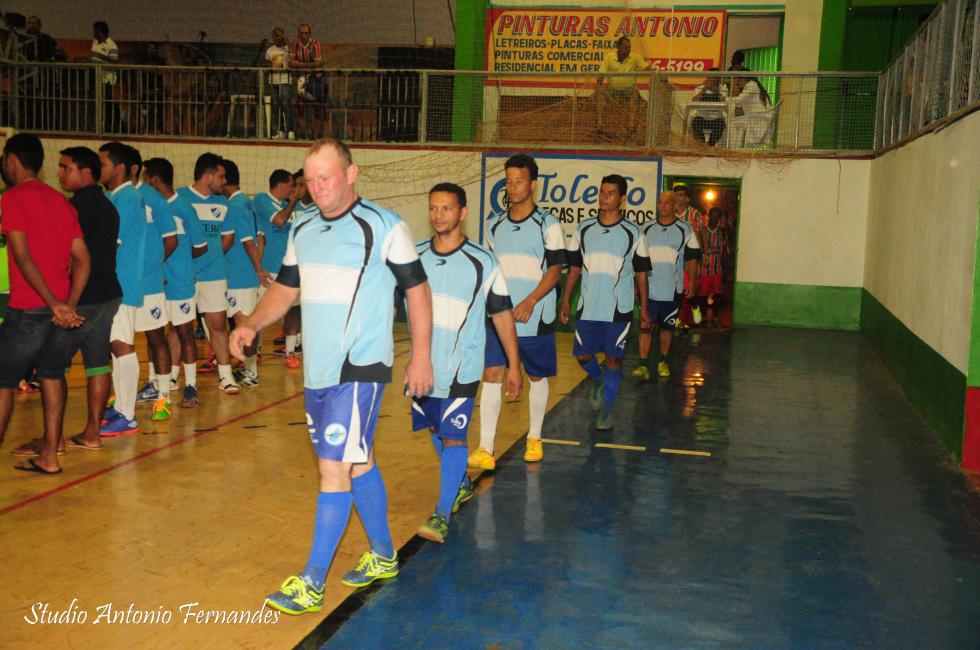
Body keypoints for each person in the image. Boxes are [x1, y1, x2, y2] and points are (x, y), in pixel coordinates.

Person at [230, 138, 433, 615]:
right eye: (310, 179)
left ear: (351, 174)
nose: (317, 187)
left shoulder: (384, 226)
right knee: (357, 462)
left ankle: (312, 582)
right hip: (319, 371)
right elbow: (286, 289)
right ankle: (383, 555)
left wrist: (421, 355)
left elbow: (418, 291)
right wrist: (252, 324)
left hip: (359, 366)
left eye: (326, 177)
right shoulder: (302, 227)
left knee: (332, 468)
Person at [412, 183, 521, 543]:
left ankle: (441, 514)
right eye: (433, 207)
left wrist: (514, 364)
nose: (438, 215)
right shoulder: (414, 258)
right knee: (435, 429)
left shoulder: (484, 262)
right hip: (423, 365)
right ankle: (460, 483)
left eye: (446, 208)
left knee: (454, 437)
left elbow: (502, 314)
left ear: (463, 213)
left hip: (463, 365)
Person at [1, 133, 89, 474]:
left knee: (3, 382)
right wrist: (68, 305)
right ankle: (50, 456)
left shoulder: (13, 198)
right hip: (59, 314)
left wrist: (55, 304)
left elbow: (21, 255)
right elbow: (83, 259)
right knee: (52, 376)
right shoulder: (61, 201)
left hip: (30, 308)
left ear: (12, 161)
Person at [472, 154, 565, 469]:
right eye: (509, 181)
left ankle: (534, 437)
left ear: (533, 184)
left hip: (534, 315)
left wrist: (530, 301)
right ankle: (485, 448)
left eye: (519, 181)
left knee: (536, 375)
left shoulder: (548, 224)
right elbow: (490, 269)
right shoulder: (493, 224)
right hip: (499, 316)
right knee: (492, 375)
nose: (512, 187)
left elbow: (555, 270)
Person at [560, 174, 650, 430]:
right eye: (601, 192)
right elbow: (574, 268)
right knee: (582, 355)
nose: (603, 197)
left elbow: (641, 273)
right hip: (588, 306)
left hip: (618, 309)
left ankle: (607, 410)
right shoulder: (584, 229)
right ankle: (599, 381)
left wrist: (644, 307)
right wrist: (565, 300)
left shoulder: (633, 233)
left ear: (622, 199)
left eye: (610, 193)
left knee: (613, 359)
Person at [55, 146, 121, 452]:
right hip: (108, 295)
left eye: (65, 168)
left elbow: (73, 259)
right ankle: (92, 432)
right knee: (97, 364)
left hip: (82, 297)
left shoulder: (74, 208)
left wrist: (68, 302)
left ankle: (52, 440)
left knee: (52, 367)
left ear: (86, 172)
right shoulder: (108, 205)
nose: (60, 174)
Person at [143, 157, 208, 408]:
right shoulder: (148, 207)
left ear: (155, 180)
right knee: (153, 333)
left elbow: (200, 247)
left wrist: (181, 264)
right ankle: (154, 382)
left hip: (179, 283)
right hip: (154, 283)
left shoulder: (183, 208)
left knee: (185, 332)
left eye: (145, 178)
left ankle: (190, 385)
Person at [176, 153, 240, 395]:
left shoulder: (224, 203)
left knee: (218, 324)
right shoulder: (179, 199)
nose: (224, 181)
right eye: (221, 176)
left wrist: (210, 260)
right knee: (179, 327)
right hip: (183, 275)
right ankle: (170, 378)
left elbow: (228, 238)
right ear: (208, 175)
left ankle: (226, 377)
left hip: (214, 275)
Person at [98, 141, 148, 436]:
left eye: (103, 163)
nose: (98, 168)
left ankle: (127, 415)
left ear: (119, 168)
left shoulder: (127, 198)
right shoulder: (117, 196)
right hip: (117, 282)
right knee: (116, 346)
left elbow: (111, 245)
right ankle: (120, 407)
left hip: (122, 283)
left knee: (121, 345)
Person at [129, 145, 179, 423]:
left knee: (155, 336)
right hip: (122, 284)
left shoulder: (153, 199)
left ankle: (164, 396)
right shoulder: (115, 197)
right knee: (122, 342)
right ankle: (124, 396)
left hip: (149, 284)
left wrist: (153, 266)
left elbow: (171, 239)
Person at [632, 192, 700, 380]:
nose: (662, 206)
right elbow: (638, 261)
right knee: (645, 326)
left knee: (667, 328)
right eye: (659, 202)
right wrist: (636, 285)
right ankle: (643, 365)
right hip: (648, 290)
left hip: (672, 290)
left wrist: (692, 281)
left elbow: (692, 258)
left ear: (675, 206)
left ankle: (662, 362)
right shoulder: (645, 229)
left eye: (667, 202)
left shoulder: (685, 229)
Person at [221, 158, 270, 387]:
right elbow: (261, 238)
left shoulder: (235, 206)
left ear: (225, 180)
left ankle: (251, 373)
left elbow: (249, 242)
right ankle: (249, 369)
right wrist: (257, 269)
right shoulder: (247, 203)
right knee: (245, 323)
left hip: (238, 277)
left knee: (243, 325)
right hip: (245, 275)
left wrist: (258, 269)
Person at [253, 168, 301, 368]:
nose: (293, 190)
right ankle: (255, 351)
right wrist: (293, 201)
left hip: (288, 268)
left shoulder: (286, 205)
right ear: (281, 185)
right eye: (291, 186)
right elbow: (279, 221)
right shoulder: (261, 200)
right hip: (269, 268)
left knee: (293, 310)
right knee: (262, 312)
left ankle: (290, 352)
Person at [595, 36, 652, 139]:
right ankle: (600, 125)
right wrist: (598, 85)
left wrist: (653, 70)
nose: (628, 49)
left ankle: (631, 126)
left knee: (635, 93)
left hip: (628, 89)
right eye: (626, 47)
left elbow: (645, 68)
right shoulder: (609, 57)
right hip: (612, 88)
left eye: (629, 47)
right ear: (619, 47)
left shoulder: (635, 57)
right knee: (600, 94)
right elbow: (602, 73)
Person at [290, 24, 325, 139]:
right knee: (300, 107)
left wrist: (300, 65)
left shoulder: (315, 44)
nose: (303, 35)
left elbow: (318, 63)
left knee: (318, 107)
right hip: (301, 80)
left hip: (315, 79)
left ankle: (316, 136)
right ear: (298, 34)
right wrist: (310, 65)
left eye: (306, 33)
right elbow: (291, 63)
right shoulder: (295, 44)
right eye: (301, 33)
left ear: (310, 34)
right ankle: (303, 135)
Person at [696, 207, 727, 328]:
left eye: (717, 216)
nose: (715, 219)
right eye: (713, 216)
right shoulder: (702, 231)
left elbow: (725, 250)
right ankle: (704, 318)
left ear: (719, 218)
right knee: (703, 295)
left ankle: (714, 317)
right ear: (709, 216)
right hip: (704, 270)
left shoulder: (722, 232)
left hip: (717, 269)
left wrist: (724, 268)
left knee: (717, 295)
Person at [726, 74, 773, 147]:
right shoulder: (753, 86)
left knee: (733, 122)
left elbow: (739, 101)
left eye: (738, 82)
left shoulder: (751, 85)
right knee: (735, 122)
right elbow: (739, 104)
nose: (738, 84)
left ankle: (734, 148)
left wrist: (725, 99)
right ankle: (736, 148)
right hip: (757, 118)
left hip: (759, 118)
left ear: (743, 79)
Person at [266, 27, 296, 140]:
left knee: (285, 105)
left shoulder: (288, 49)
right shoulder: (270, 50)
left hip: (285, 81)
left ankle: (290, 130)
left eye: (281, 35)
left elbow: (293, 60)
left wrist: (288, 46)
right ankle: (281, 130)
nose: (279, 38)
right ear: (273, 37)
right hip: (273, 81)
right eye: (276, 36)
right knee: (276, 106)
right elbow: (267, 64)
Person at [90, 22, 119, 132]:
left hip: (107, 79)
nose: (93, 33)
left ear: (100, 31)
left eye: (95, 30)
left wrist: (101, 65)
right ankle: (98, 125)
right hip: (96, 78)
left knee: (107, 103)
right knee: (96, 103)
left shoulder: (111, 46)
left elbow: (114, 63)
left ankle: (110, 126)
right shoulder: (95, 42)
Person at [690, 68, 727, 146]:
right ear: (707, 77)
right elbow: (694, 101)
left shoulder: (723, 89)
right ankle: (702, 144)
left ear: (719, 79)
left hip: (716, 118)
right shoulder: (699, 88)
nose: (714, 79)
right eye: (712, 77)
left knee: (721, 123)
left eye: (716, 77)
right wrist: (705, 89)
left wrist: (715, 90)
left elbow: (724, 101)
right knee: (695, 122)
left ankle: (710, 145)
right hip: (701, 117)